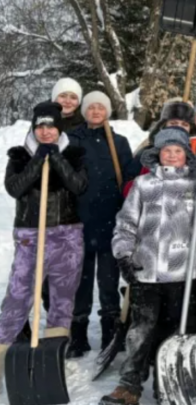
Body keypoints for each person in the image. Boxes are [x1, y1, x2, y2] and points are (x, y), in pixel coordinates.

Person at [100, 127, 196, 405]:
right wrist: (123, 254)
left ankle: (167, 382)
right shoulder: (143, 185)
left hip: (182, 273)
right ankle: (129, 384)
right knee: (140, 331)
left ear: (186, 155)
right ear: (157, 155)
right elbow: (126, 222)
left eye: (177, 151)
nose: (171, 155)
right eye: (166, 151)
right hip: (147, 269)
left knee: (174, 331)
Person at [0, 102, 87, 391]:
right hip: (30, 233)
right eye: (40, 126)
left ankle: (53, 355)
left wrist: (57, 159)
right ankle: (2, 356)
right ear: (34, 127)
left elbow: (78, 186)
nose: (46, 131)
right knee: (19, 294)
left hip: (66, 234)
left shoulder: (74, 154)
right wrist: (39, 158)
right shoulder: (19, 155)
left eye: (51, 126)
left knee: (63, 298)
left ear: (59, 128)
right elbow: (15, 188)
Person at [64, 91, 133, 358]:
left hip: (109, 220)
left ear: (107, 112)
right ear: (84, 111)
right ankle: (78, 334)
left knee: (108, 279)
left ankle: (109, 332)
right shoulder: (71, 140)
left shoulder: (119, 142)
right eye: (91, 107)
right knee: (79, 280)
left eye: (100, 108)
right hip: (77, 220)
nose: (95, 111)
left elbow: (128, 181)